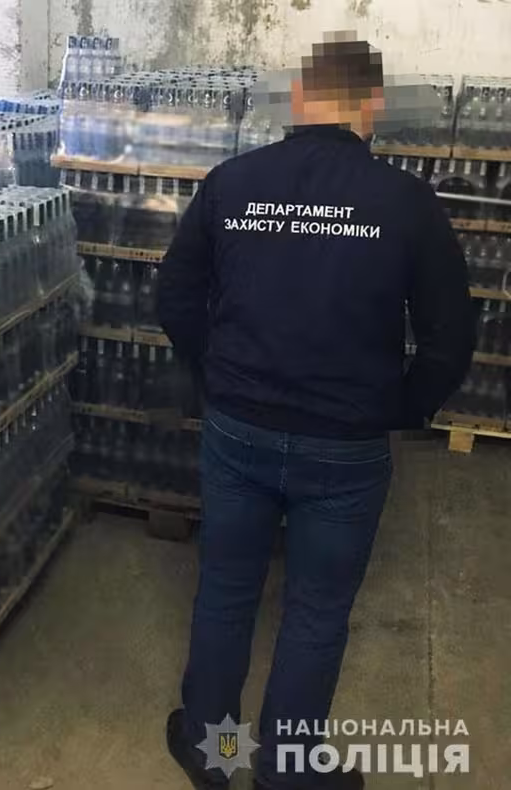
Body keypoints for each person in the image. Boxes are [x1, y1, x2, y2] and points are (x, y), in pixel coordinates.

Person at [158, 37, 475, 790]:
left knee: (227, 591)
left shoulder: (233, 183)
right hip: (346, 445)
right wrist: (400, 407)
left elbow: (174, 298)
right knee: (316, 611)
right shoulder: (407, 203)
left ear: (299, 100)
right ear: (372, 108)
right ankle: (287, 773)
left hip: (238, 429)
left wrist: (217, 377)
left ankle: (213, 754)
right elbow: (451, 338)